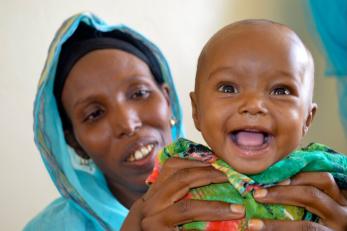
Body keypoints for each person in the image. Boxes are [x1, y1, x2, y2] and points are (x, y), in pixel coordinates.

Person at [25, 13, 346, 231]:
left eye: (138, 93)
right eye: (94, 113)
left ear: (169, 99)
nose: (128, 122)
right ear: (73, 140)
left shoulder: (322, 183)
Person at [127, 19, 347, 231]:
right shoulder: (175, 177)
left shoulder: (324, 176)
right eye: (228, 88)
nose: (253, 105)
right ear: (196, 111)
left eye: (280, 91)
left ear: (307, 118)